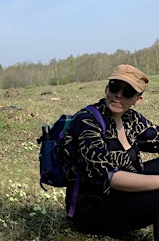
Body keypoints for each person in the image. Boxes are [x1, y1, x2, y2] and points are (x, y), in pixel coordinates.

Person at [61, 64, 159, 239]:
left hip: (122, 197)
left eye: (127, 92)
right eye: (115, 87)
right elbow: (108, 177)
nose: (119, 95)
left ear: (138, 99)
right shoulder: (87, 121)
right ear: (107, 89)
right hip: (91, 209)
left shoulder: (132, 119)